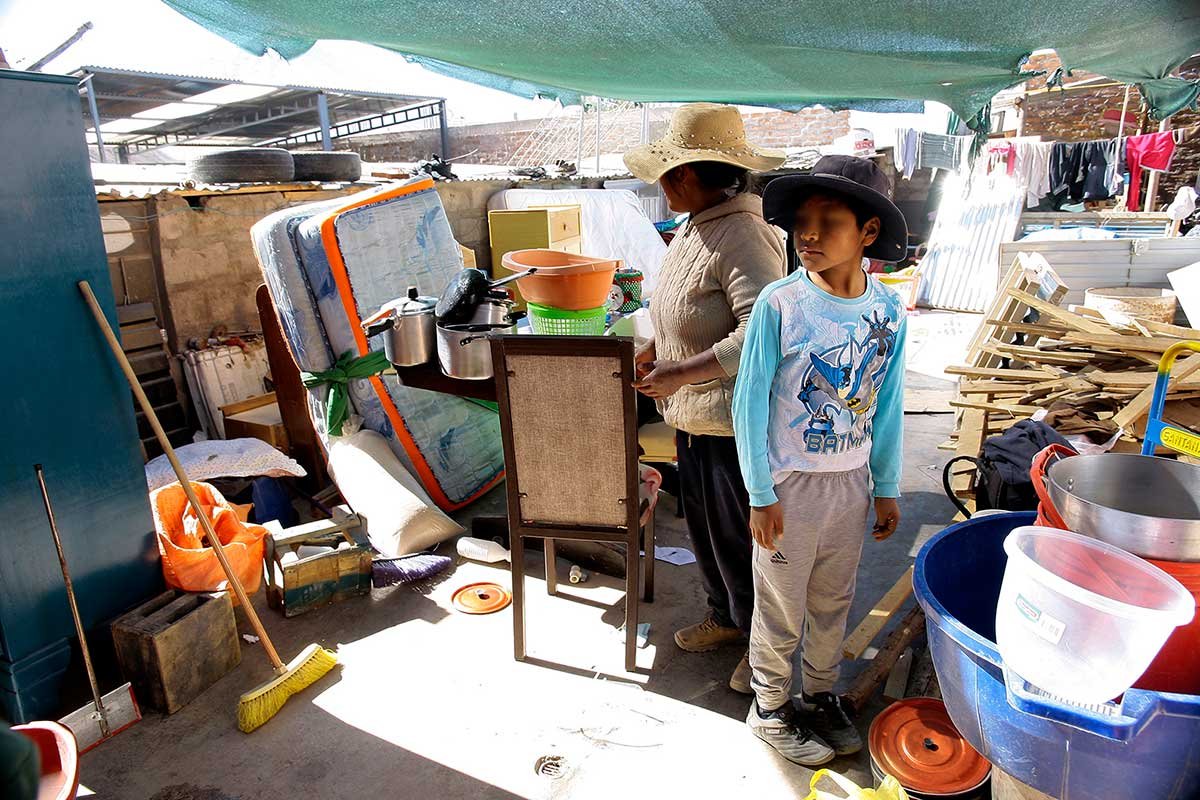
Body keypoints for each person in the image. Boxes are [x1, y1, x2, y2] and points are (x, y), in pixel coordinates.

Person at [732, 155, 908, 766]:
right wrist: (760, 492)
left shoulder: (888, 313)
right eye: (800, 221)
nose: (807, 233)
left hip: (850, 484)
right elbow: (749, 400)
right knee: (781, 599)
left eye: (828, 220)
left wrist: (884, 486)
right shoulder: (781, 305)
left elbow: (886, 406)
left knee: (834, 597)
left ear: (868, 233)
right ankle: (770, 706)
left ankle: (819, 694)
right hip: (789, 486)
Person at [623, 103, 786, 690]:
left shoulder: (746, 233)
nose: (662, 185)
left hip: (732, 421)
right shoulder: (697, 224)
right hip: (692, 414)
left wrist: (680, 372)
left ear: (689, 174)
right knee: (706, 531)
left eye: (666, 174)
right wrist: (654, 350)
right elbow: (684, 309)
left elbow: (761, 333)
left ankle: (760, 643)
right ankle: (725, 617)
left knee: (743, 538)